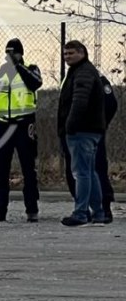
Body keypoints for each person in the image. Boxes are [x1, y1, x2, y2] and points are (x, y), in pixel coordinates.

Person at [0, 38, 42, 223]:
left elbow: (35, 83)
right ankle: (0, 210)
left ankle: (32, 210)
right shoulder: (2, 70)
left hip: (24, 124)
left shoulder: (31, 67)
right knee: (1, 170)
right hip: (2, 124)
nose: (10, 56)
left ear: (21, 53)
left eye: (13, 52)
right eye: (8, 53)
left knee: (28, 169)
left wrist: (19, 67)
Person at [58, 40, 108, 227]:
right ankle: (99, 213)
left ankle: (80, 213)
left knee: (81, 173)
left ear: (82, 53)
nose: (67, 57)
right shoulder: (82, 71)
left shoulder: (83, 72)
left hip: (82, 130)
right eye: (65, 54)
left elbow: (80, 100)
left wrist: (70, 125)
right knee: (89, 171)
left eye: (71, 53)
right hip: (91, 130)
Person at [63, 71, 117, 223]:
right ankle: (86, 210)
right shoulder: (71, 77)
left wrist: (99, 124)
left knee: (94, 169)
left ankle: (101, 210)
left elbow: (111, 103)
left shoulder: (93, 76)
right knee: (78, 171)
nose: (67, 57)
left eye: (71, 53)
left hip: (89, 132)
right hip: (73, 132)